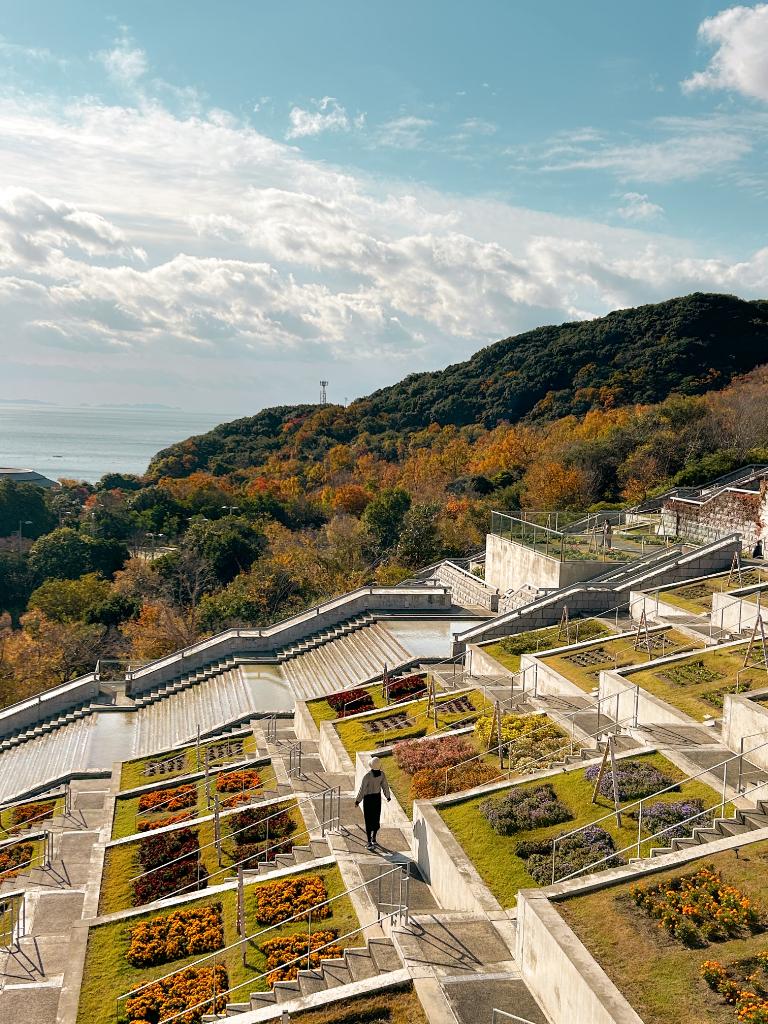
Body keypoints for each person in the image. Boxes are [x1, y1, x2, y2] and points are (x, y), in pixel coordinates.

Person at [355, 755, 391, 849]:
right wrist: (388, 796)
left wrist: (358, 801)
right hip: (377, 799)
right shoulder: (382, 774)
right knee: (376, 819)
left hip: (368, 800)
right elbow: (385, 786)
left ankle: (369, 842)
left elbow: (362, 790)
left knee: (368, 820)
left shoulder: (367, 776)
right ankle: (374, 838)